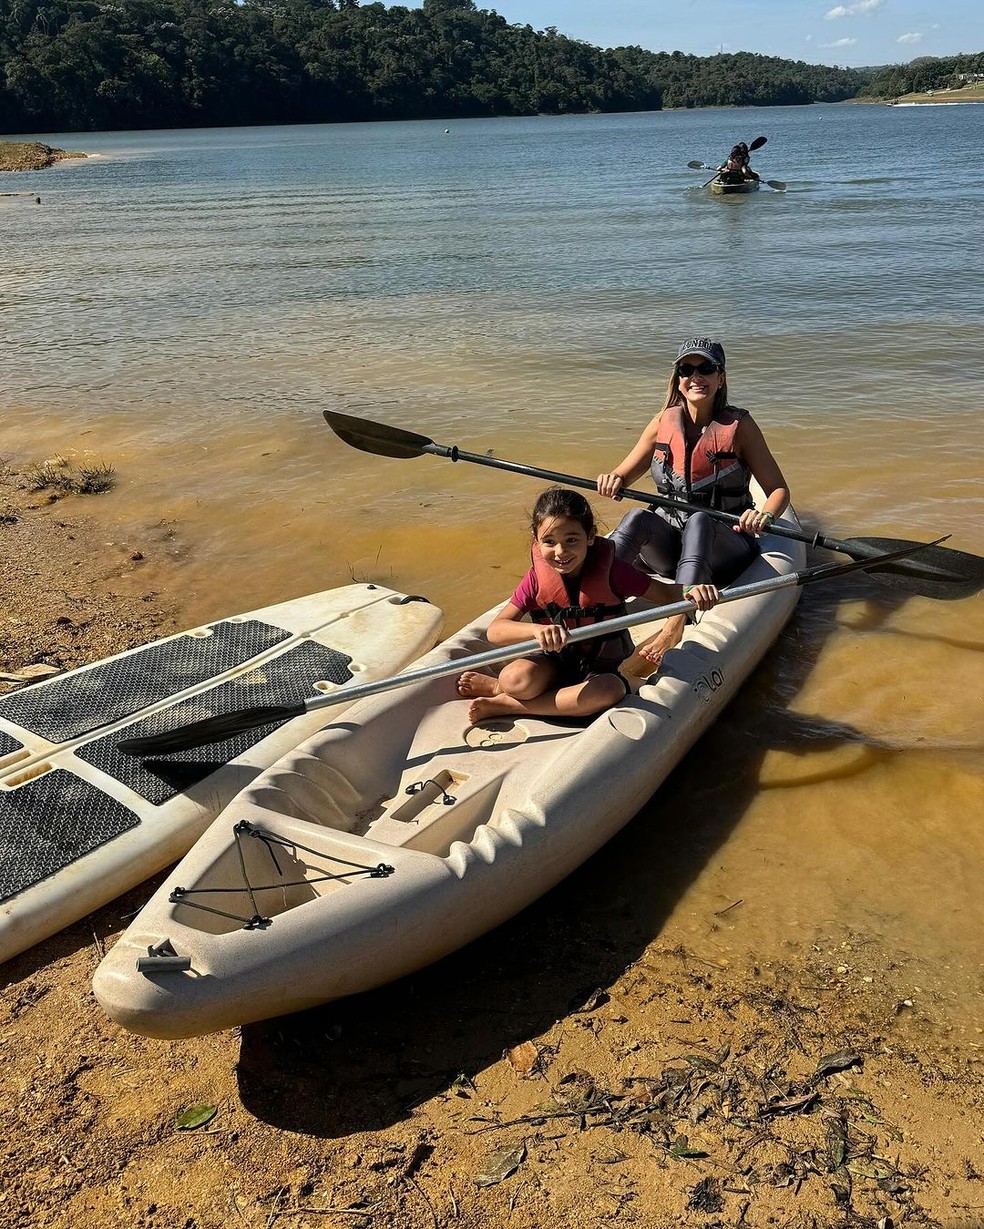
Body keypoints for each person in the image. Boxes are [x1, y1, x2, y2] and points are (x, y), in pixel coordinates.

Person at [596, 337, 789, 669]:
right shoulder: (663, 422)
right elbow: (624, 472)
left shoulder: (739, 426)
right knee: (635, 517)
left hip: (725, 545)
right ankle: (594, 596)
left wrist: (765, 515)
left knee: (699, 520)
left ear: (720, 378)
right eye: (687, 369)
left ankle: (677, 618)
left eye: (706, 368)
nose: (696, 377)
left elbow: (778, 491)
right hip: (672, 549)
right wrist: (613, 478)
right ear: (678, 379)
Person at [457, 487, 719, 724]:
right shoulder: (536, 578)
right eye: (549, 542)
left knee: (608, 691)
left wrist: (692, 591)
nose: (560, 551)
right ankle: (498, 688)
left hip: (601, 670)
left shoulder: (613, 570)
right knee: (514, 678)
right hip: (555, 663)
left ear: (591, 536)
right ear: (536, 541)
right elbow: (496, 630)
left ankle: (511, 705)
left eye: (572, 540)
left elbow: (665, 593)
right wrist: (536, 632)